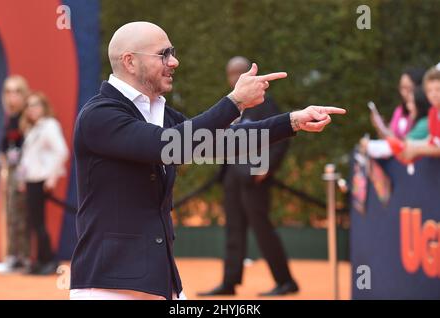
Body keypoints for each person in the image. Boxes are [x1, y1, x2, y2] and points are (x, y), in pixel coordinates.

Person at [69, 21, 346, 300]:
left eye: (172, 52)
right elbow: (170, 146)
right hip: (107, 285)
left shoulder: (160, 113)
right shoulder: (99, 115)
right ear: (130, 61)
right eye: (163, 54)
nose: (174, 61)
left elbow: (221, 141)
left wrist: (292, 121)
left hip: (158, 280)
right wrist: (235, 102)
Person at [198, 56, 298, 297]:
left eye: (238, 73)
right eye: (230, 74)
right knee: (233, 229)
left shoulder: (264, 102)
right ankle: (229, 283)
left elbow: (280, 137)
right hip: (232, 174)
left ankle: (286, 282)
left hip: (255, 177)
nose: (234, 78)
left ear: (248, 74)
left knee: (262, 228)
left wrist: (266, 169)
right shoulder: (230, 104)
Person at [17, 92, 69, 275]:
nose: (32, 109)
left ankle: (48, 260)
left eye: (36, 104)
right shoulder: (33, 128)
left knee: (38, 223)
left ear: (44, 106)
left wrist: (51, 178)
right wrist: (22, 179)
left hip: (40, 181)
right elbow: (27, 159)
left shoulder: (49, 126)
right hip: (31, 181)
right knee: (35, 222)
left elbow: (62, 151)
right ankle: (40, 260)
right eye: (29, 105)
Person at [0, 75, 31, 273]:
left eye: (17, 91)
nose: (12, 96)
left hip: (25, 173)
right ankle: (13, 257)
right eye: (8, 91)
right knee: (11, 213)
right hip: (11, 171)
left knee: (21, 215)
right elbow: (4, 147)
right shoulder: (10, 118)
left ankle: (22, 258)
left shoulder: (27, 117)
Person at [362, 86, 431, 160]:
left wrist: (370, 146)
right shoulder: (420, 122)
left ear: (420, 103)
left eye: (411, 102)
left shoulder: (424, 123)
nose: (408, 106)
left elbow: (402, 146)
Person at [372, 67, 425, 139]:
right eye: (401, 87)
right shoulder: (400, 110)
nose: (403, 92)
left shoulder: (425, 120)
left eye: (408, 88)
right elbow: (390, 137)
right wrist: (379, 126)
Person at [401, 65, 440, 161]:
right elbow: (432, 139)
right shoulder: (432, 112)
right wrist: (411, 144)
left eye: (438, 90)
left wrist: (417, 150)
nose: (433, 94)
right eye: (430, 91)